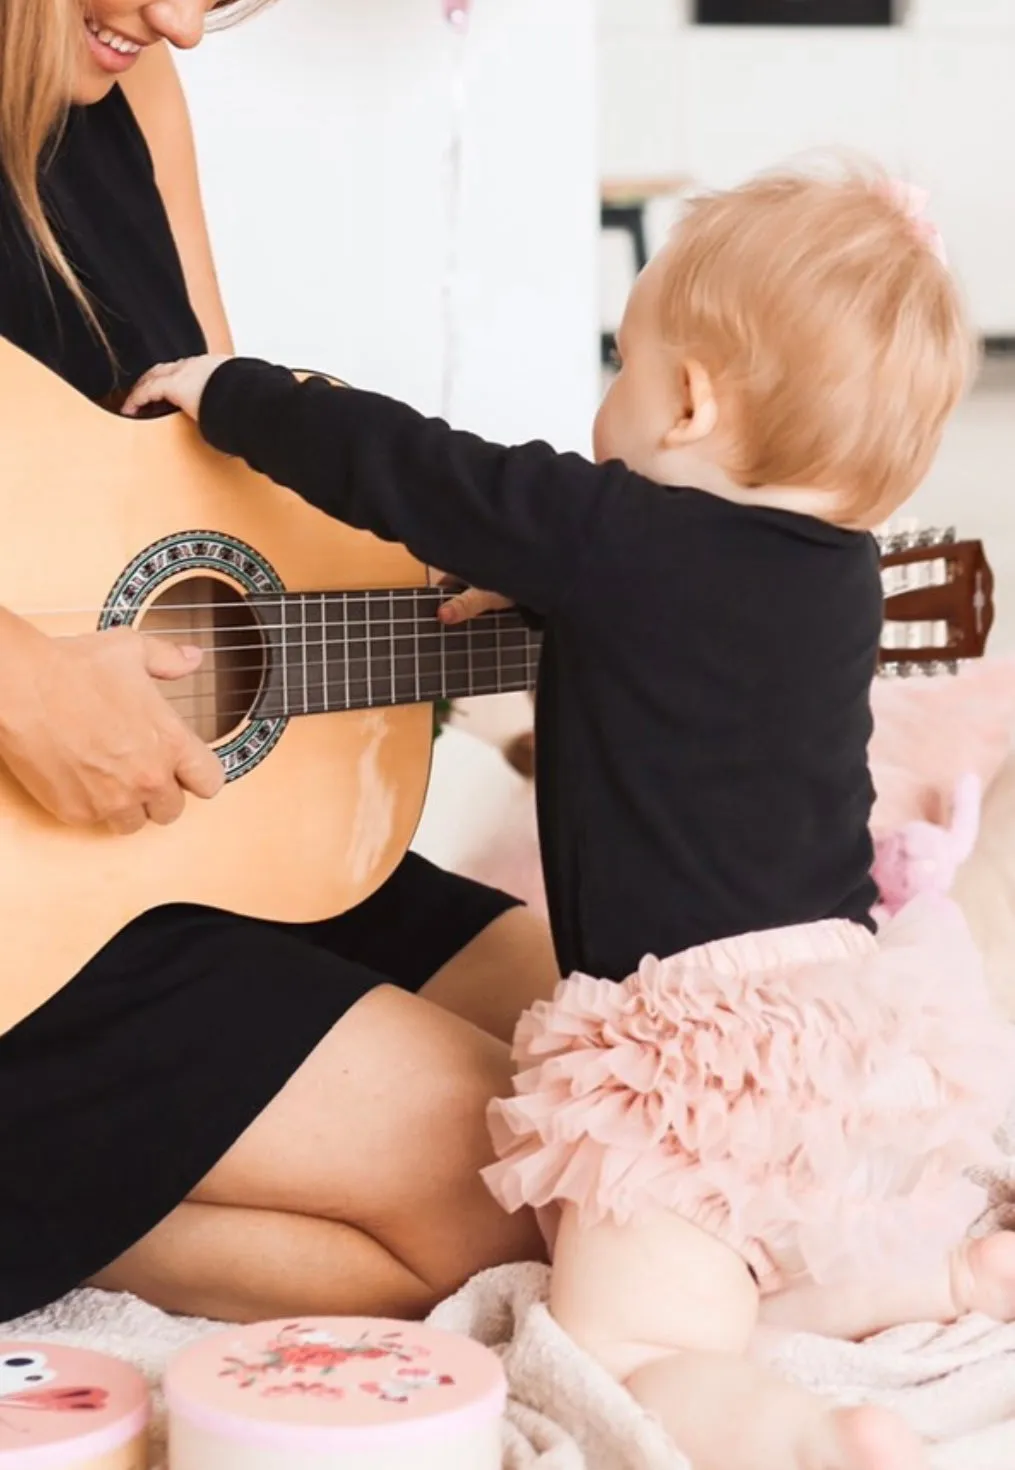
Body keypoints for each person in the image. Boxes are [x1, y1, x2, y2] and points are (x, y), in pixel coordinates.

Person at [128, 165, 1015, 1470]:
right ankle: (945, 1275)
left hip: (689, 1045)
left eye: (622, 360)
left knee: (639, 1344)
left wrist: (238, 392)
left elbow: (417, 470)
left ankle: (811, 1442)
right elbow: (680, 674)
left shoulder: (616, 537)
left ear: (689, 399)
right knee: (750, 1241)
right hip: (842, 1021)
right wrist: (555, 602)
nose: (607, 395)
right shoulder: (837, 584)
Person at [0, 0, 558, 1325]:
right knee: (515, 1186)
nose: (185, 25)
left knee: (620, 1057)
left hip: (168, 853)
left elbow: (217, 486)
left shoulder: (130, 95)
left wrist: (486, 588)